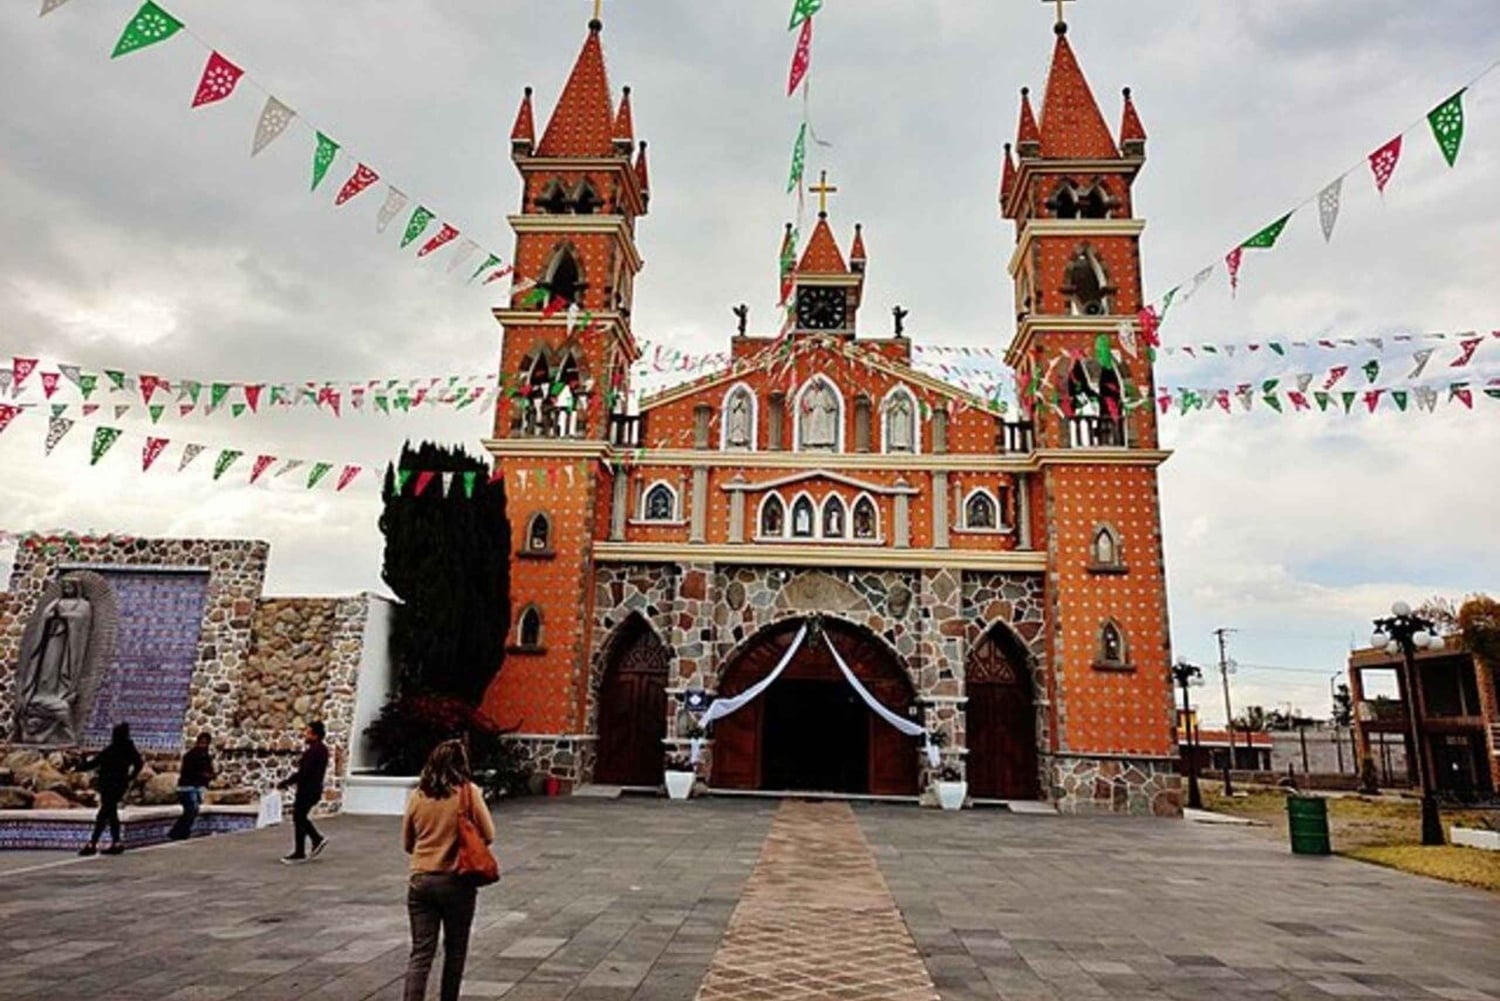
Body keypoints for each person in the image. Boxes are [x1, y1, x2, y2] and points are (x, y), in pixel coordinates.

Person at [401, 740, 495, 1001]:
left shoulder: (418, 796)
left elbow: (408, 843)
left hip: (421, 879)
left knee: (421, 952)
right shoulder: (468, 792)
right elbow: (489, 833)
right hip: (456, 880)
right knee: (455, 950)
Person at [74, 722, 144, 856]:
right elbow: (139, 763)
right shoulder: (128, 749)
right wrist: (130, 777)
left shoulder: (113, 749)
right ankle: (114, 842)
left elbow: (95, 762)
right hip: (119, 784)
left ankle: (93, 843)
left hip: (109, 784)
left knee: (104, 813)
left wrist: (79, 766)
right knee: (111, 814)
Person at [276, 721, 329, 864]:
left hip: (308, 789)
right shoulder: (321, 750)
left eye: (308, 732)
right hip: (312, 789)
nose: (305, 735)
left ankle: (309, 844)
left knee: (299, 817)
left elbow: (304, 773)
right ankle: (311, 842)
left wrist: (286, 782)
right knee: (300, 817)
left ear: (315, 735)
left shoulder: (314, 751)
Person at [169, 732, 215, 841]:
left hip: (197, 787)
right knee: (192, 809)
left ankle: (182, 832)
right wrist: (203, 775)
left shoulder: (206, 757)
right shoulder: (190, 756)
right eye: (202, 743)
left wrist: (209, 776)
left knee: (193, 810)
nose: (203, 745)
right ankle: (177, 832)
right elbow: (190, 772)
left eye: (205, 743)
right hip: (187, 787)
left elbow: (209, 772)